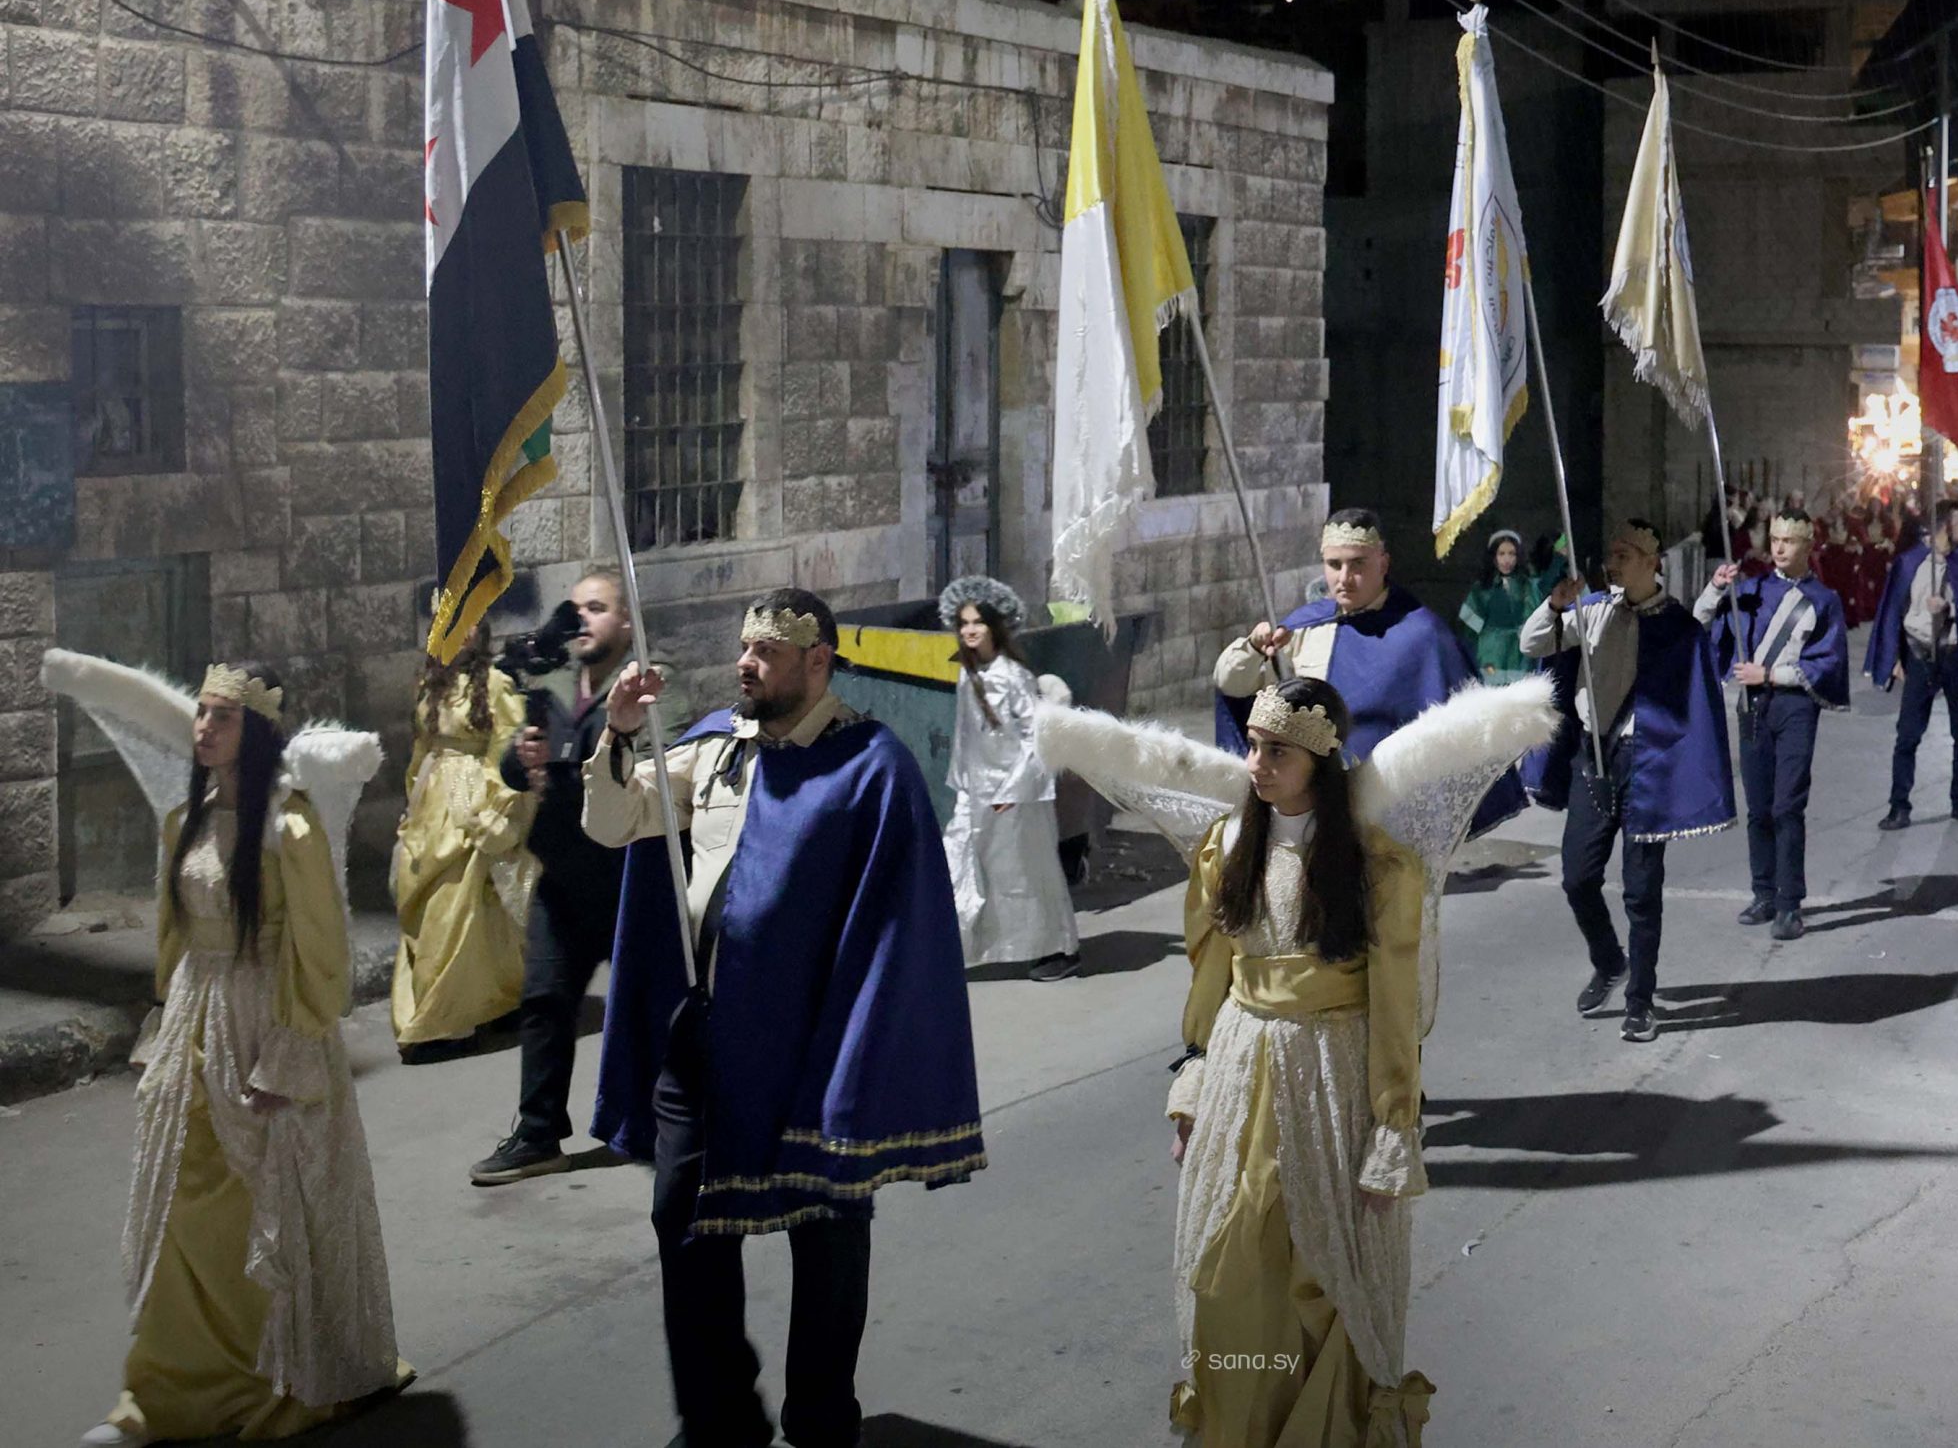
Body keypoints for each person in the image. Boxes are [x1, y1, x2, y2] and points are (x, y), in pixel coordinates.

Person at [1038, 673, 1554, 1446]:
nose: (1257, 763)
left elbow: (1394, 1006)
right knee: (1233, 1261)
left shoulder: (1379, 865)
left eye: (1277, 750)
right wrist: (1194, 1080)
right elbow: (1211, 975)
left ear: (1320, 759)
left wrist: (1391, 1128)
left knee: (1330, 1271)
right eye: (1252, 745)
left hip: (1333, 1070)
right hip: (1241, 1065)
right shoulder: (1227, 846)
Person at [586, 590, 985, 1448]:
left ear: (818, 661)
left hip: (814, 1040)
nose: (746, 662)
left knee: (827, 1225)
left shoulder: (871, 765)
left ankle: (821, 1416)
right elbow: (616, 823)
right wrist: (618, 734)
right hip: (705, 1034)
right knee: (681, 1215)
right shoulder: (713, 749)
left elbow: (897, 923)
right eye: (745, 647)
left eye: (767, 651)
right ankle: (719, 1414)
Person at [43, 653, 405, 1443]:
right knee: (182, 1204)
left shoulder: (289, 826)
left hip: (264, 1022)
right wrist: (167, 1031)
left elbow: (320, 951)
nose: (204, 726)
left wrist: (289, 1056)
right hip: (199, 1023)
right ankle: (162, 1394)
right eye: (202, 711)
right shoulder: (188, 818)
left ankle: (272, 1376)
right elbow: (174, 940)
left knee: (259, 1212)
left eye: (223, 715)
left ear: (258, 730)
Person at [1522, 520, 1734, 1040]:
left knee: (1641, 891)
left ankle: (1640, 1000)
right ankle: (1608, 960)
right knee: (1577, 876)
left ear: (1651, 562)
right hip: (1592, 758)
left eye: (1624, 554)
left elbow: (1696, 698)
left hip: (1647, 765)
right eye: (1611, 554)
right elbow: (1532, 644)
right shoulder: (1592, 609)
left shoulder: (1678, 625)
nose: (1612, 562)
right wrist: (1555, 605)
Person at [1214, 508, 1525, 835]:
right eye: (1334, 565)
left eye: (1357, 564)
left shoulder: (1424, 635)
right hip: (1314, 798)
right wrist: (1253, 649)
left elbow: (1462, 727)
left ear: (1383, 564)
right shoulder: (1304, 626)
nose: (1344, 578)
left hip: (1392, 808)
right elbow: (1236, 688)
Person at [472, 572, 632, 1185]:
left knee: (653, 1005)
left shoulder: (646, 686)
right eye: (577, 607)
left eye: (598, 607)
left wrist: (578, 762)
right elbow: (515, 764)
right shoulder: (554, 683)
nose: (582, 617)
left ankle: (674, 1121)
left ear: (624, 621)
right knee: (544, 1001)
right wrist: (523, 758)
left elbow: (654, 772)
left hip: (624, 877)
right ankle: (539, 1135)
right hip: (562, 875)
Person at [386, 622, 539, 1064]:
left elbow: (507, 747)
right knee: (433, 905)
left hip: (471, 799)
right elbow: (421, 750)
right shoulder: (429, 684)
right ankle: (488, 1002)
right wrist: (412, 802)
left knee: (460, 908)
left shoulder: (494, 684)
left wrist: (494, 805)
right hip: (431, 803)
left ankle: (446, 1021)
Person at [1699, 509, 1850, 941]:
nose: (1780, 547)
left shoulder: (1824, 600)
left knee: (1787, 806)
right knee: (1759, 809)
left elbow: (1828, 662)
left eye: (1790, 540)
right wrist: (1715, 589)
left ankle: (1789, 904)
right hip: (1752, 706)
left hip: (1795, 707)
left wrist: (1770, 674)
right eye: (1776, 539)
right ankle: (1763, 893)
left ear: (1809, 545)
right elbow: (1701, 624)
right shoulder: (1750, 590)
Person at [940, 574, 1079, 980]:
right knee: (959, 862)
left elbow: (1036, 738)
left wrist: (1014, 789)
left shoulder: (1013, 676)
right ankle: (951, 948)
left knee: (1030, 872)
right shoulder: (968, 673)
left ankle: (1060, 948)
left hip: (1017, 796)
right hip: (976, 791)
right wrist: (963, 785)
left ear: (994, 627)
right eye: (964, 623)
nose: (970, 630)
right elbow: (966, 735)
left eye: (978, 623)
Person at [1869, 499, 1958, 831]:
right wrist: (1895, 657)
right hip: (1920, 656)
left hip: (1956, 656)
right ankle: (1899, 806)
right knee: (1907, 736)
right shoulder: (1911, 563)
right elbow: (1894, 611)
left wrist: (1950, 607)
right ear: (1944, 527)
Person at [1456, 529, 1540, 685]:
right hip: (1491, 650)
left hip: (1519, 651)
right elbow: (1469, 628)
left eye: (1512, 554)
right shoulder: (1482, 588)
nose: (1507, 560)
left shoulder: (1527, 586)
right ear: (1493, 557)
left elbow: (1533, 616)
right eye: (1501, 554)